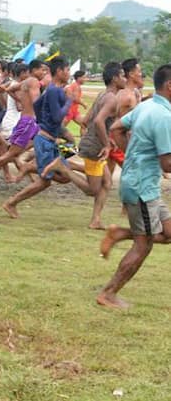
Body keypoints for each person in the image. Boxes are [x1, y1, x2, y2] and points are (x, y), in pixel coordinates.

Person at [96, 64, 171, 309]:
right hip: (141, 188)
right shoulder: (164, 117)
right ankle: (108, 293)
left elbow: (116, 128)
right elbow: (167, 163)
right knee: (144, 245)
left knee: (168, 233)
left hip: (142, 184)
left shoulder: (147, 105)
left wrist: (132, 156)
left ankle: (119, 233)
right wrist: (137, 159)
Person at [42, 63, 127, 229]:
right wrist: (106, 144)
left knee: (107, 183)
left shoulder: (104, 95)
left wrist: (103, 139)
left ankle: (95, 220)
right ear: (115, 78)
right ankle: (63, 166)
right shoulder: (111, 99)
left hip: (92, 142)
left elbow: (87, 120)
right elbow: (97, 121)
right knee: (92, 190)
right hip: (95, 148)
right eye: (122, 75)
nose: (125, 79)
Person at [2, 57, 72, 219]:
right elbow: (56, 116)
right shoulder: (54, 90)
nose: (69, 73)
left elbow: (38, 106)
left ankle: (31, 167)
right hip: (47, 140)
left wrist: (46, 125)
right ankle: (12, 202)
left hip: (50, 139)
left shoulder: (54, 89)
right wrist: (70, 102)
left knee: (65, 174)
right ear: (60, 71)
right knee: (48, 180)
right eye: (67, 70)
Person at [0, 60, 46, 189]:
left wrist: (20, 99)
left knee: (14, 151)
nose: (44, 73)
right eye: (42, 70)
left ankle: (30, 166)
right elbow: (36, 102)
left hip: (32, 123)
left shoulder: (25, 82)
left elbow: (9, 88)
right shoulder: (34, 82)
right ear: (34, 70)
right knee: (10, 154)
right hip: (28, 122)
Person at [63, 70, 88, 135]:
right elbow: (75, 99)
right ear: (79, 78)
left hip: (74, 111)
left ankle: (83, 143)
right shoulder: (76, 86)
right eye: (84, 77)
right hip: (69, 110)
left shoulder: (75, 85)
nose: (85, 79)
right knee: (61, 127)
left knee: (84, 125)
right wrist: (83, 104)